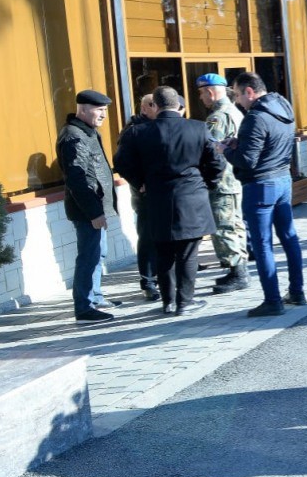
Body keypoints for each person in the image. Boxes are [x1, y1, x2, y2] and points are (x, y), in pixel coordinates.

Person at [114, 86, 224, 316]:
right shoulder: (198, 128)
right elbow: (216, 163)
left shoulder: (139, 132)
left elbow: (121, 162)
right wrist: (206, 185)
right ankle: (184, 302)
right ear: (178, 105)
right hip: (192, 197)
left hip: (157, 198)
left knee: (163, 252)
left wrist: (139, 181)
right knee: (187, 254)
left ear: (156, 104)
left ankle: (169, 302)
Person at [218, 72, 306, 317]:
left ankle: (273, 300)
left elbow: (247, 160)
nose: (237, 101)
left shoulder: (255, 118)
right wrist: (240, 144)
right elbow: (267, 145)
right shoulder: (283, 106)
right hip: (282, 179)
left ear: (250, 91)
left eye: (237, 94)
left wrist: (225, 150)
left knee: (262, 244)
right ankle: (297, 292)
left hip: (260, 185)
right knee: (289, 237)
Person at [58, 90, 121, 322]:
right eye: (99, 110)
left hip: (96, 206)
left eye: (105, 110)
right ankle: (84, 307)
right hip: (88, 210)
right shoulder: (74, 136)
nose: (103, 115)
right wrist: (94, 212)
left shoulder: (88, 132)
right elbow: (78, 179)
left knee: (98, 253)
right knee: (88, 256)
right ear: (83, 109)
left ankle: (94, 296)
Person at [197, 73, 249, 294]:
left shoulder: (218, 117)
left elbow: (211, 150)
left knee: (223, 225)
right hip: (233, 178)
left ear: (210, 91)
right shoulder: (235, 110)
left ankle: (237, 273)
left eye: (201, 93)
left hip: (222, 181)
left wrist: (208, 177)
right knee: (235, 223)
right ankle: (238, 270)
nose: (200, 98)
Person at [118, 94, 160, 302]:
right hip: (144, 195)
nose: (158, 107)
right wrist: (138, 182)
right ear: (145, 108)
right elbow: (122, 162)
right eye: (154, 104)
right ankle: (148, 281)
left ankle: (162, 276)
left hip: (161, 192)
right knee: (147, 237)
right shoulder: (133, 130)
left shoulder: (159, 126)